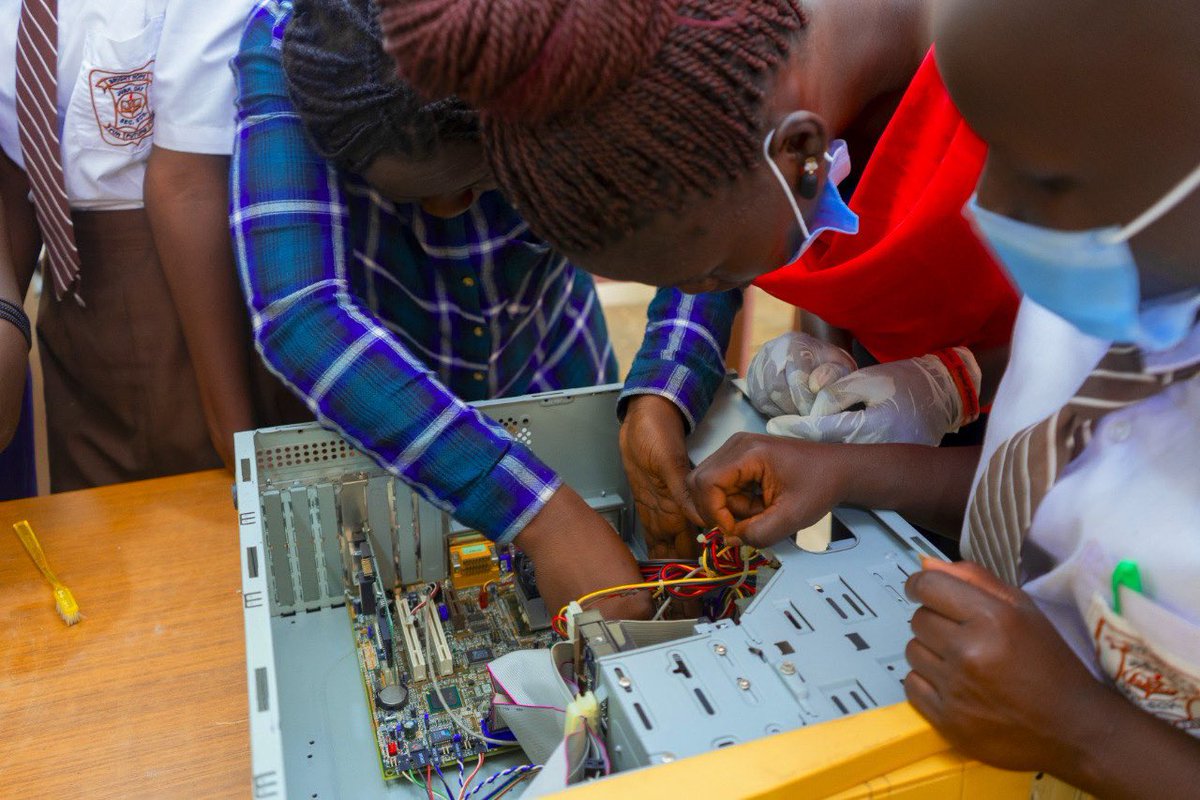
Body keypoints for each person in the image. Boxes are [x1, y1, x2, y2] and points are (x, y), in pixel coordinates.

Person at [687, 0, 1200, 792]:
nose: (985, 206)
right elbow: (1057, 505)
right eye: (988, 151)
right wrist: (847, 472)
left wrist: (1085, 733)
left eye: (1044, 175)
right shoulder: (1111, 279)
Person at [380, 0, 1018, 557]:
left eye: (718, 272)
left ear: (800, 155)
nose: (716, 294)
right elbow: (830, 243)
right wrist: (834, 355)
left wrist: (944, 389)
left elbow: (1075, 485)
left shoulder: (1025, 81)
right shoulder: (763, 109)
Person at [231, 0, 649, 619]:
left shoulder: (577, 29)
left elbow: (703, 216)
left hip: (557, 356)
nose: (449, 212)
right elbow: (300, 316)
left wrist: (668, 388)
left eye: (480, 180)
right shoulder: (296, 47)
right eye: (410, 195)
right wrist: (542, 517)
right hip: (387, 394)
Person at [0, 0, 295, 492]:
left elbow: (188, 183)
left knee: (215, 521)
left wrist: (235, 436)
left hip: (196, 294)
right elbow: (17, 158)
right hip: (74, 304)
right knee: (98, 541)